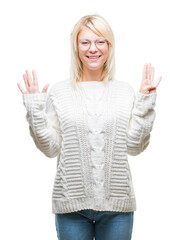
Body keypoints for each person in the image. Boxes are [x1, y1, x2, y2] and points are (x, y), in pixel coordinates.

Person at [17, 14, 162, 240]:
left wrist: (145, 102)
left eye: (100, 41)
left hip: (117, 207)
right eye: (85, 42)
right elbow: (51, 149)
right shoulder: (59, 91)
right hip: (71, 206)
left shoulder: (124, 91)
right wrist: (34, 110)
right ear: (76, 47)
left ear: (109, 46)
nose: (92, 49)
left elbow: (134, 147)